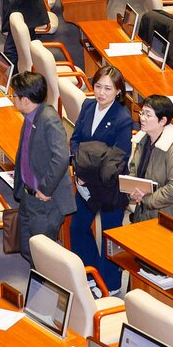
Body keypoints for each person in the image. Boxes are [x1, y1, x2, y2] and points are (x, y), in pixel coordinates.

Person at [69, 65, 134, 291]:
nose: (101, 93)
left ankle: (111, 284)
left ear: (118, 91)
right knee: (77, 227)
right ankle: (90, 273)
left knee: (109, 236)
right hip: (84, 181)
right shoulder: (87, 106)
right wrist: (80, 171)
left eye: (108, 88)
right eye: (98, 86)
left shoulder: (123, 118)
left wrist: (87, 173)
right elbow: (75, 139)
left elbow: (117, 160)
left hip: (109, 188)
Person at [10, 72, 74, 263]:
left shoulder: (48, 119)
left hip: (45, 200)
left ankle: (44, 290)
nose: (12, 98)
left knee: (44, 257)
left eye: (14, 95)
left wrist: (45, 189)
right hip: (28, 196)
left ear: (26, 100)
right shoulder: (31, 115)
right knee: (27, 247)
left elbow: (62, 157)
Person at [125, 95, 173, 223]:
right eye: (142, 113)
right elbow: (135, 168)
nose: (142, 118)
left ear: (162, 121)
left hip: (167, 215)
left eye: (148, 115)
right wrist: (132, 190)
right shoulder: (143, 140)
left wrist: (146, 199)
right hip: (144, 209)